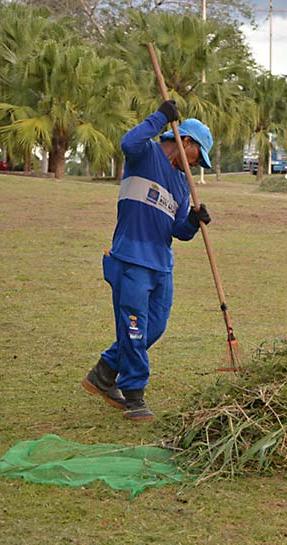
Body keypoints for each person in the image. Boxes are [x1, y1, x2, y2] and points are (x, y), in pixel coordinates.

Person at [82, 100, 214, 422]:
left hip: (161, 263)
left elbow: (177, 231)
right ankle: (134, 395)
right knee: (135, 329)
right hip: (130, 258)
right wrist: (160, 118)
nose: (197, 166)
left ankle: (104, 371)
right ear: (186, 142)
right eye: (199, 157)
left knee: (154, 326)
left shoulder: (183, 185)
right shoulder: (145, 155)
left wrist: (194, 223)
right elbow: (128, 141)